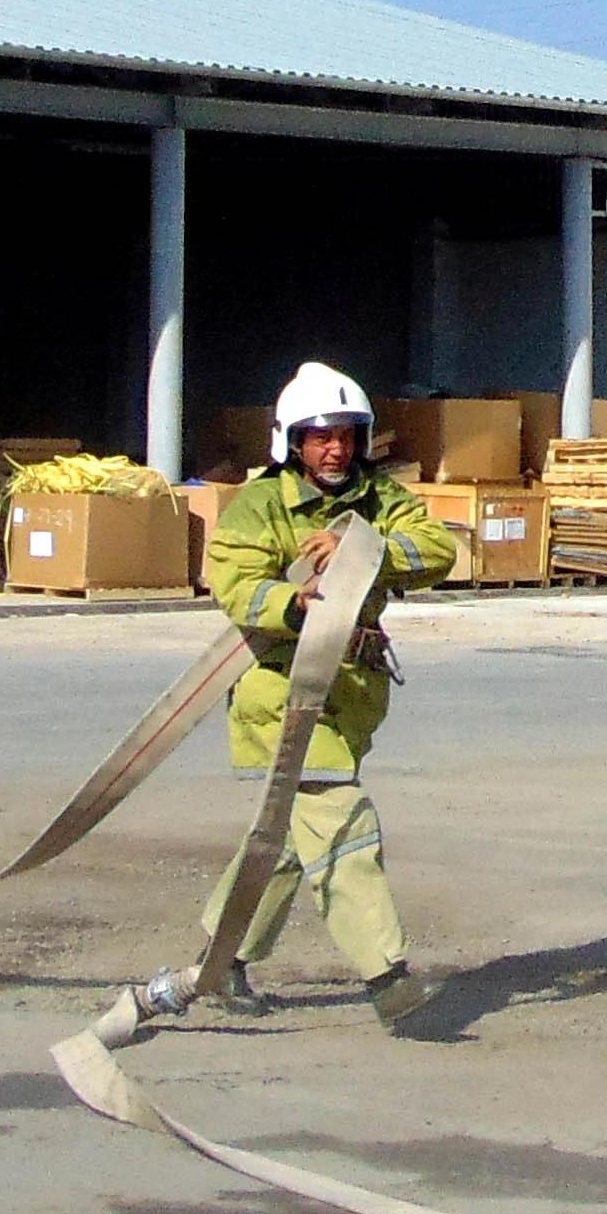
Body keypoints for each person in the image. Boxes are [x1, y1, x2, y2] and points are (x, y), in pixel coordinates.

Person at [183, 362, 460, 1026]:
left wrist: (358, 545)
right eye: (320, 436)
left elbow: (437, 551)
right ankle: (387, 977)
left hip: (352, 696)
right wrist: (294, 601)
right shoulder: (258, 507)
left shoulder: (378, 502)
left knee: (283, 839)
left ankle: (220, 964)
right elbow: (236, 587)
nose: (335, 448)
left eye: (345, 435)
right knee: (340, 821)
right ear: (292, 441)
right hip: (283, 693)